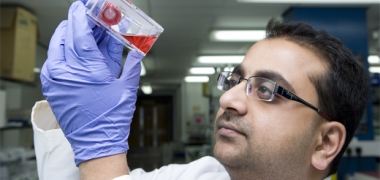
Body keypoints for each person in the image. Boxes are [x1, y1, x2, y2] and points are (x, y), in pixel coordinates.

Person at [32, 1, 370, 180]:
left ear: (325, 143)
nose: (227, 99)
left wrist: (99, 148)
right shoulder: (202, 174)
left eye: (267, 89)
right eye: (237, 81)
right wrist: (78, 113)